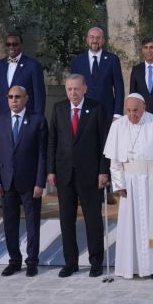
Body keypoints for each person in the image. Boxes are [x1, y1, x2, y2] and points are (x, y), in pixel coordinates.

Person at [104, 94, 153, 280]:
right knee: (131, 225)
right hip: (130, 183)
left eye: (136, 111)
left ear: (144, 107)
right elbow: (114, 161)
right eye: (129, 111)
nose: (132, 115)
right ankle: (133, 266)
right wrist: (118, 183)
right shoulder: (118, 126)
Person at [46, 74, 110, 278]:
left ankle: (96, 262)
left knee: (93, 220)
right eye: (69, 89)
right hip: (64, 174)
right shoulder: (59, 109)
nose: (72, 93)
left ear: (85, 89)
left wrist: (103, 171)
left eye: (76, 89)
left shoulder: (97, 109)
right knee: (66, 220)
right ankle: (70, 262)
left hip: (90, 175)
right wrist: (51, 170)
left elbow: (104, 144)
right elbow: (52, 142)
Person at [0, 85, 48, 278]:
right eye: (10, 97)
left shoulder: (37, 120)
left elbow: (42, 155)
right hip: (7, 183)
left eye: (17, 97)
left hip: (30, 183)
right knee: (10, 224)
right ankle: (14, 261)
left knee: (32, 224)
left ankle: (32, 261)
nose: (13, 100)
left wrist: (40, 182)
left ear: (26, 99)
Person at [69, 26, 125, 119]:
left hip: (107, 113)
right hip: (84, 113)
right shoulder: (77, 61)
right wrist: (74, 111)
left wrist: (117, 114)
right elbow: (72, 88)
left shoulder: (112, 59)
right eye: (91, 37)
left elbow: (119, 88)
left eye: (98, 37)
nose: (95, 40)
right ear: (87, 39)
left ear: (103, 40)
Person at [0, 32, 46, 118]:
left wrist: (38, 120)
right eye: (8, 44)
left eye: (15, 44)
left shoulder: (33, 65)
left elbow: (39, 96)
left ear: (21, 45)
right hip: (3, 117)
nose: (11, 47)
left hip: (26, 116)